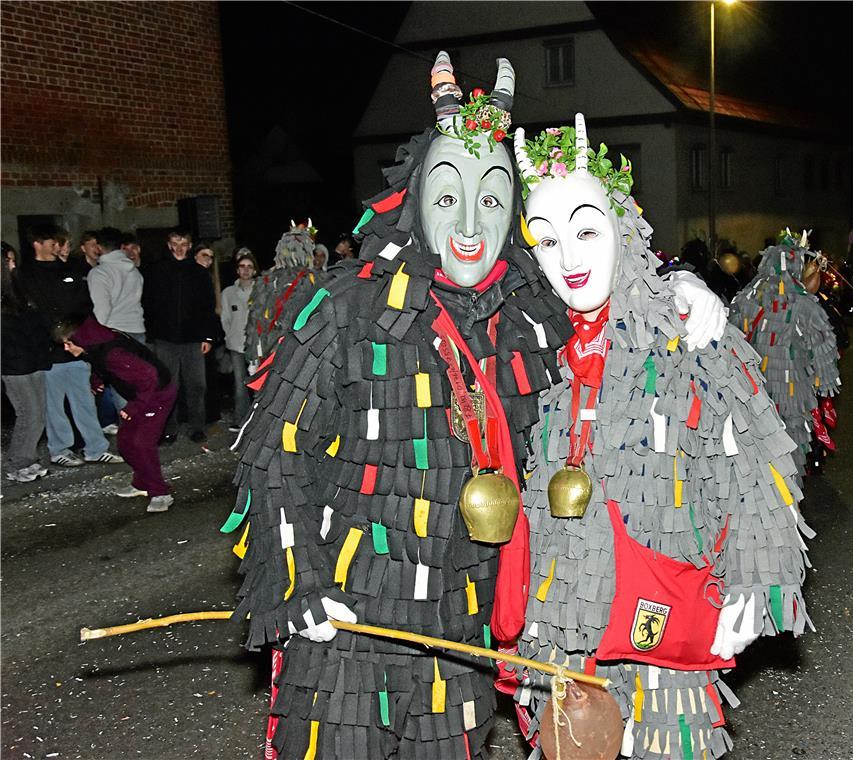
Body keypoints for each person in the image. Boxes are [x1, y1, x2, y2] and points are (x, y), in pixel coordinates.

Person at [223, 53, 729, 760]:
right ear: (414, 200)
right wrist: (297, 583)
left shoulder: (533, 315)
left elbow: (608, 302)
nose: (469, 221)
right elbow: (274, 453)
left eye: (492, 198)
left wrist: (681, 285)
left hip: (463, 635)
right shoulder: (342, 309)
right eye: (448, 193)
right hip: (346, 627)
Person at [512, 114, 810, 759]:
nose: (569, 259)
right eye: (546, 240)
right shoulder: (531, 339)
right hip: (563, 621)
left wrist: (760, 580)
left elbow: (754, 462)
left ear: (621, 227)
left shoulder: (686, 331)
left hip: (662, 619)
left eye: (587, 230)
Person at [729, 229, 842, 477]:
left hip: (752, 386)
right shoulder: (802, 302)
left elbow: (730, 335)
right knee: (791, 443)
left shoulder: (746, 296)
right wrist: (825, 382)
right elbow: (822, 341)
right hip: (791, 389)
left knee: (756, 443)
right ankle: (789, 502)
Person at [15, 223, 121, 467]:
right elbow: (32, 315)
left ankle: (95, 448)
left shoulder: (69, 270)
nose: (56, 245)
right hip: (48, 352)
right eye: (50, 240)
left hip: (76, 349)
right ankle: (60, 448)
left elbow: (84, 307)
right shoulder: (26, 275)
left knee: (83, 400)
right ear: (37, 244)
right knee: (54, 405)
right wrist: (52, 336)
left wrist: (79, 337)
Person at [54, 315, 178, 512]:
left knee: (142, 444)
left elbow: (150, 378)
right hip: (143, 394)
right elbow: (99, 363)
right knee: (126, 442)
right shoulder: (96, 346)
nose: (66, 349)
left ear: (80, 339)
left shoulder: (114, 353)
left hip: (158, 395)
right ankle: (141, 484)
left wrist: (134, 407)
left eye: (68, 344)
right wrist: (98, 381)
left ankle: (160, 492)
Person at [141, 228, 220, 444]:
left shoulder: (199, 272)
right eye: (175, 243)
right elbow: (148, 303)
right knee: (168, 385)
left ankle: (197, 426)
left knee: (196, 384)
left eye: (183, 243)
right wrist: (153, 332)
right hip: (165, 339)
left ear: (189, 245)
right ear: (168, 245)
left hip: (193, 338)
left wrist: (208, 337)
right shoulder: (156, 270)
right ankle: (169, 428)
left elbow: (208, 307)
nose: (179, 248)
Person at [243, 221, 323, 372]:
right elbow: (257, 317)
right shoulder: (268, 280)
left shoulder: (314, 280)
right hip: (277, 349)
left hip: (301, 349)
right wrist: (255, 356)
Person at [2, 262, 52, 482]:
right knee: (28, 412)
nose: (14, 264)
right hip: (14, 364)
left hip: (33, 358)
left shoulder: (18, 289)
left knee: (39, 413)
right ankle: (18, 462)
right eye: (9, 261)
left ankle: (28, 458)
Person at [220, 249, 257, 430]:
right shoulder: (228, 293)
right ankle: (240, 420)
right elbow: (225, 318)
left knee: (258, 383)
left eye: (249, 267)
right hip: (236, 344)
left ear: (254, 270)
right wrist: (230, 335)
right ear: (237, 270)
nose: (245, 270)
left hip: (256, 345)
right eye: (242, 266)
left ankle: (260, 419)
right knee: (239, 384)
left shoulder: (260, 289)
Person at [88, 227, 145, 342]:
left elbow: (102, 308)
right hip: (137, 329)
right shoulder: (134, 270)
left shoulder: (100, 273)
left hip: (113, 331)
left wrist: (95, 335)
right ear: (120, 246)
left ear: (99, 247)